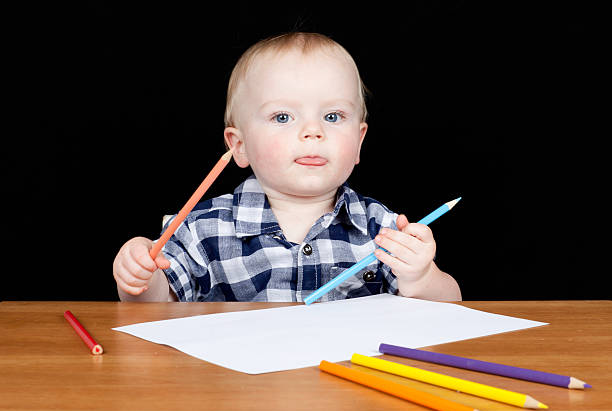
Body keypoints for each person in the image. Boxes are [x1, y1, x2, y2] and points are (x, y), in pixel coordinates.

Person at [112, 32, 461, 302]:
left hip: (350, 391)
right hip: (236, 392)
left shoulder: (382, 229)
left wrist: (422, 276)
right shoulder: (202, 230)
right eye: (283, 117)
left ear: (359, 141)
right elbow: (155, 308)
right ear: (239, 145)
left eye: (332, 116)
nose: (313, 131)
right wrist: (141, 278)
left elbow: (450, 306)